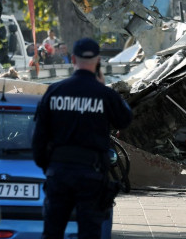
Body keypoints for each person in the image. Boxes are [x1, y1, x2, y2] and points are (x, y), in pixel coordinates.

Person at [32, 37, 133, 238]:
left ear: (72, 59)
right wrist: (104, 87)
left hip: (59, 173)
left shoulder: (55, 91)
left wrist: (49, 167)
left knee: (52, 231)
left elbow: (38, 140)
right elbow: (125, 118)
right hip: (92, 175)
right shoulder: (104, 94)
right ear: (98, 62)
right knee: (90, 232)